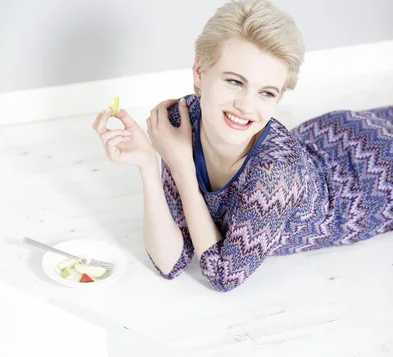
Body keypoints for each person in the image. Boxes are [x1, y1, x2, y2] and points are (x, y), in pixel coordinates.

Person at [92, 0, 393, 292]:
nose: (246, 106)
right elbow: (170, 261)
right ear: (200, 71)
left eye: (266, 92)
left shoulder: (275, 174)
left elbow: (223, 276)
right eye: (235, 81)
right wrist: (148, 164)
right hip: (326, 137)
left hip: (373, 179)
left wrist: (181, 168)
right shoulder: (182, 121)